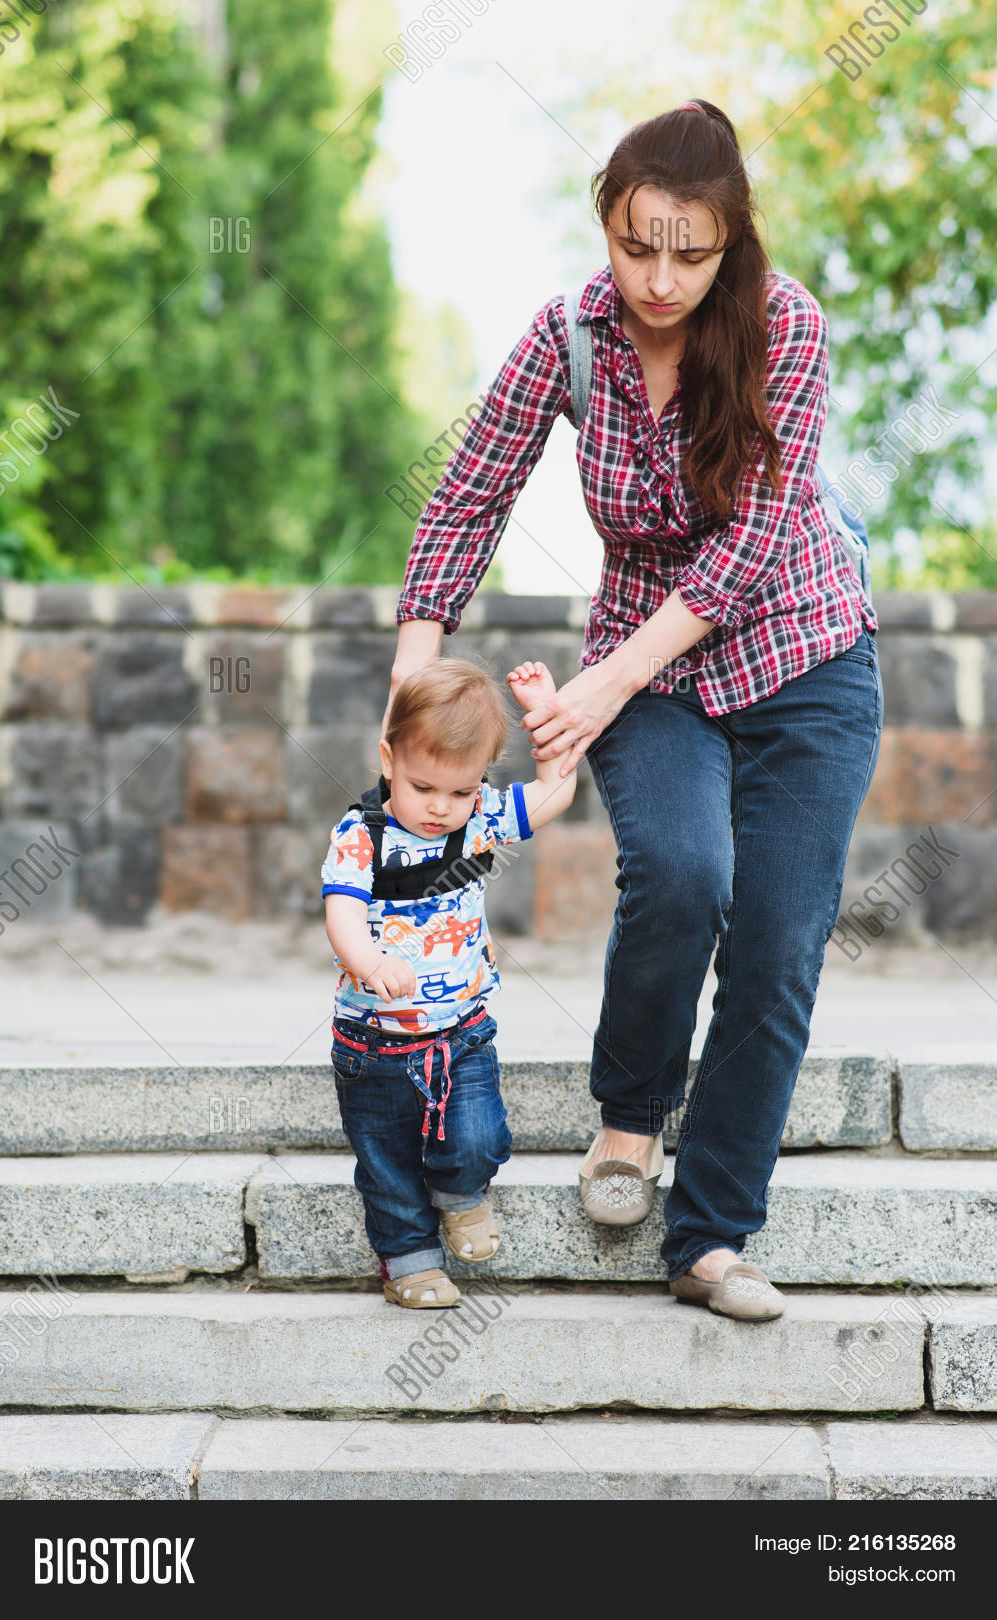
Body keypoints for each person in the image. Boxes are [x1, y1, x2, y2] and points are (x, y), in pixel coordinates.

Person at [387, 99, 882, 1322]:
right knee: (681, 872)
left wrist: (602, 684)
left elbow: (755, 548)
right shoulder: (568, 336)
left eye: (690, 251)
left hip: (807, 657)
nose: (659, 279)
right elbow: (466, 502)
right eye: (635, 244)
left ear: (733, 241)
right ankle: (628, 1120)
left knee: (775, 936)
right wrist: (409, 683)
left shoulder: (790, 330)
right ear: (607, 223)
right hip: (653, 672)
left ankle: (713, 1239)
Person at [324, 655, 576, 1309]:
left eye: (460, 792)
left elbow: (556, 793)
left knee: (477, 1136)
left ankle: (463, 1195)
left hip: (460, 1031)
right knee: (385, 1159)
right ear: (388, 760)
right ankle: (409, 1259)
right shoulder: (362, 836)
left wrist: (543, 715)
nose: (441, 808)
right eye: (424, 787)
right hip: (372, 1039)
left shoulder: (481, 818)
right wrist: (371, 963)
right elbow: (342, 912)